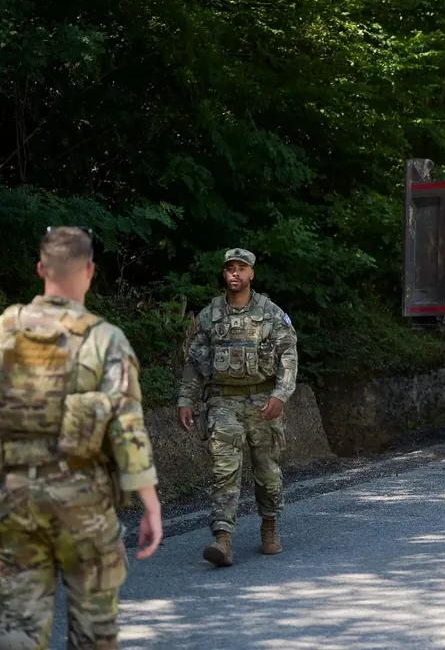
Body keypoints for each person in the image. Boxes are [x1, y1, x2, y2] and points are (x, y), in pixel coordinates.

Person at [0, 226, 163, 650]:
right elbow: (127, 427)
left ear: (40, 269)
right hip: (83, 505)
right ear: (90, 271)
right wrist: (149, 504)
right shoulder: (105, 339)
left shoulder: (3, 330)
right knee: (94, 630)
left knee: (16, 628)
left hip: (11, 502)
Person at [176, 248, 298, 567]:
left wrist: (281, 394)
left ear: (251, 274)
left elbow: (288, 355)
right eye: (230, 268)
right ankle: (223, 538)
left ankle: (269, 527)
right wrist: (186, 400)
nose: (234, 273)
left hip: (262, 402)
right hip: (222, 401)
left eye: (241, 268)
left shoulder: (270, 313)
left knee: (267, 472)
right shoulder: (211, 314)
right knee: (224, 470)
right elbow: (193, 362)